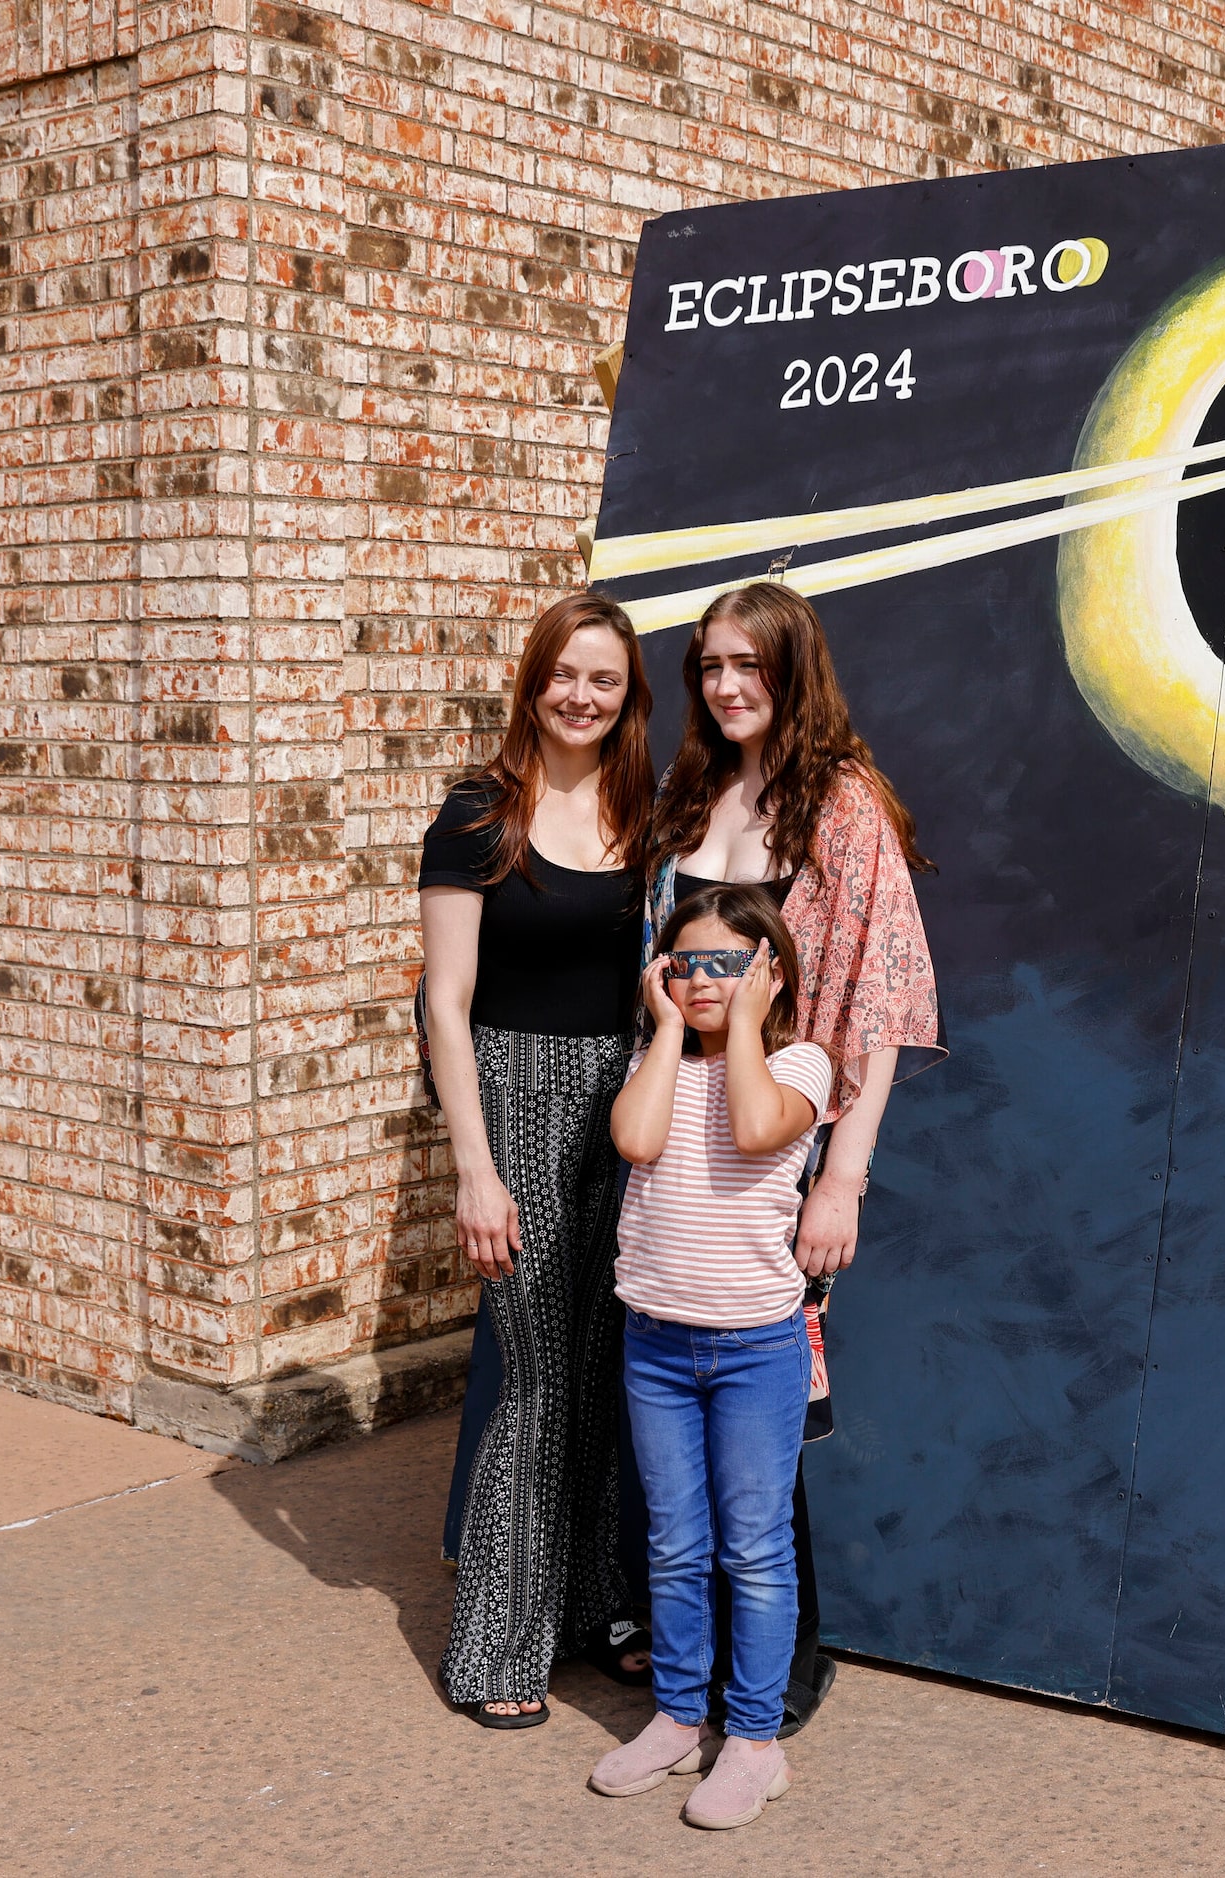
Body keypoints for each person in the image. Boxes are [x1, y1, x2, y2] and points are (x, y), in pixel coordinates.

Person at [644, 580, 943, 1731]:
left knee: (769, 1415)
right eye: (709, 666)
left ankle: (779, 1675)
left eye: (747, 667)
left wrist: (842, 1175)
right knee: (677, 1401)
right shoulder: (695, 793)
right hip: (677, 1147)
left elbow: (876, 999)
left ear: (791, 671)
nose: (725, 687)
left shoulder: (843, 806)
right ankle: (689, 1666)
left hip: (779, 1148)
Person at [419, 591, 655, 1726]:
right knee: (535, 1370)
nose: (581, 696)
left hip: (623, 1096)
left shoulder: (646, 812)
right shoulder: (476, 813)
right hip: (509, 1093)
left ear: (627, 696)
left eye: (603, 679)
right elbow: (444, 1001)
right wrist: (474, 1166)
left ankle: (591, 1603)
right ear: (533, 680)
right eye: (565, 673)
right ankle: (497, 1649)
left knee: (607, 1358)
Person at [592, 887, 835, 1830]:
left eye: (727, 964)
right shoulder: (656, 1062)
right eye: (685, 963)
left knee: (756, 1552)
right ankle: (678, 1718)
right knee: (675, 1544)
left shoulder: (799, 1064)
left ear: (770, 973)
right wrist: (663, 1032)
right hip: (655, 1342)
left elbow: (753, 1128)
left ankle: (754, 1742)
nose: (702, 981)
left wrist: (745, 1020)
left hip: (752, 1353)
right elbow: (635, 1139)